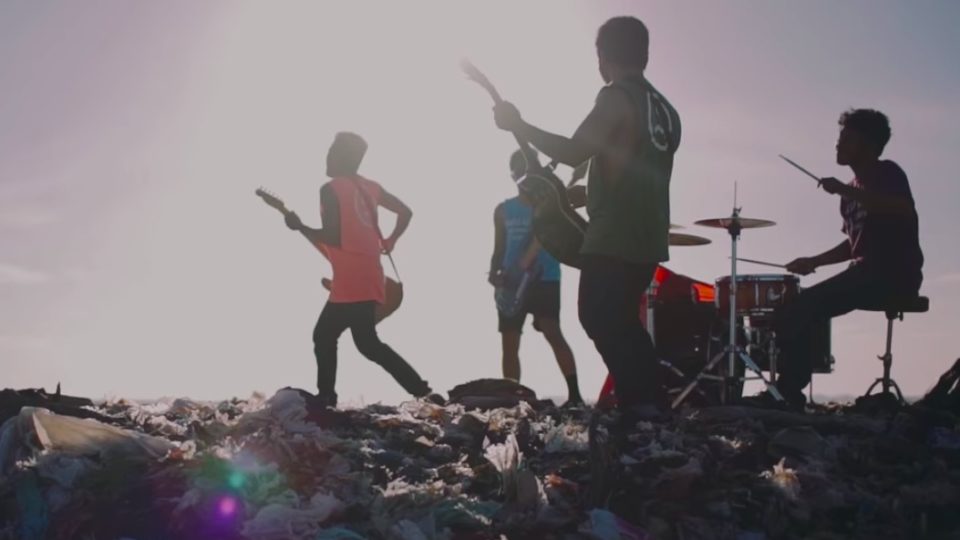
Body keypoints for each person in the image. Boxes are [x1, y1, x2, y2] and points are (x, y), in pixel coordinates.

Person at [491, 16, 681, 419]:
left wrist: (519, 124)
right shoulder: (666, 109)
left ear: (604, 57)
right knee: (621, 320)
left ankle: (643, 402)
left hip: (614, 237)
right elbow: (631, 163)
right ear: (644, 53)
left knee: (596, 315)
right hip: (648, 238)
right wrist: (583, 193)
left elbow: (576, 151)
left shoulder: (615, 96)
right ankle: (649, 403)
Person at [754, 109, 924, 411]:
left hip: (893, 273)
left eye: (847, 139)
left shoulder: (887, 173)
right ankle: (788, 390)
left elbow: (902, 207)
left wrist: (844, 189)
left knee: (804, 305)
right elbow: (852, 244)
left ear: (869, 145)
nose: (838, 144)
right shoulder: (851, 192)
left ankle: (787, 394)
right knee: (800, 305)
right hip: (864, 271)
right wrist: (813, 261)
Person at [284, 132, 442, 407]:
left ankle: (327, 398)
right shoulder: (371, 188)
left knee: (325, 336)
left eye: (332, 151)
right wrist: (391, 240)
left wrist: (301, 227)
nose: (328, 156)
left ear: (344, 157)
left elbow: (334, 236)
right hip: (370, 274)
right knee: (367, 343)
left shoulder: (330, 189)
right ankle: (423, 392)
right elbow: (406, 211)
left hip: (350, 278)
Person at [489, 150, 584, 407]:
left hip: (545, 277)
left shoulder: (551, 205)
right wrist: (494, 272)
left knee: (553, 332)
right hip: (511, 283)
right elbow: (499, 247)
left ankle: (575, 395)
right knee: (509, 341)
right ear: (512, 174)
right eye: (518, 170)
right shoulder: (503, 210)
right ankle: (512, 398)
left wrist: (527, 260)